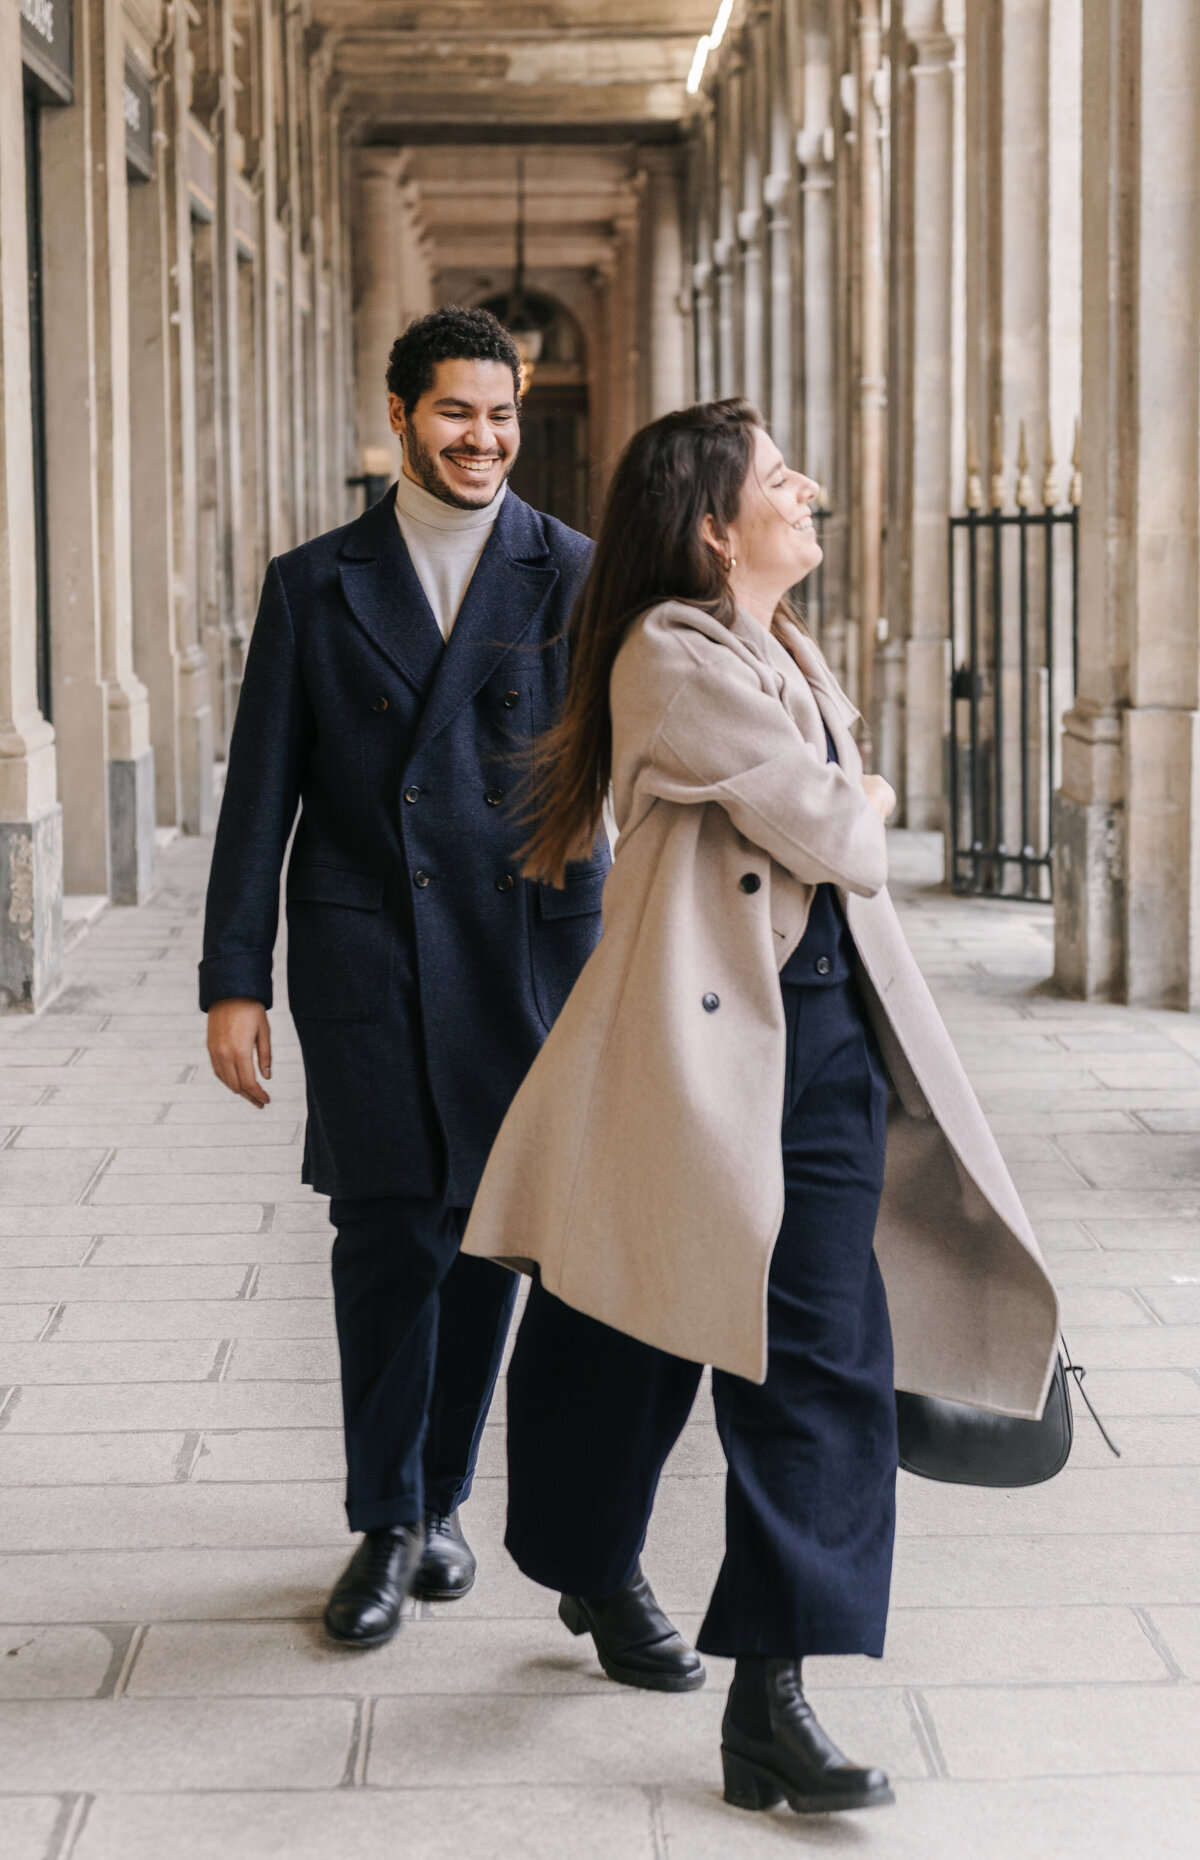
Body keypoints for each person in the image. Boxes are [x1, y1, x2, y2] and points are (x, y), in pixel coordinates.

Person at [462, 399, 1060, 1813]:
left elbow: (828, 827)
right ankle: (590, 1562)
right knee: (632, 1335)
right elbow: (838, 828)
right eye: (780, 480)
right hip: (697, 1055)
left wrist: (852, 795)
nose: (809, 492)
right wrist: (869, 792)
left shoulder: (785, 646)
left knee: (823, 1357)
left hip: (827, 1042)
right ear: (714, 529)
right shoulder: (668, 652)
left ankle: (770, 1700)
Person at [201, 305, 632, 1651]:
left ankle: (441, 1496)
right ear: (400, 416)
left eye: (500, 415)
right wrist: (233, 978)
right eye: (456, 412)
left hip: (526, 946)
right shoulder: (314, 583)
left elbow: (635, 764)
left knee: (490, 1232)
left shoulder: (574, 571)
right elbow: (260, 793)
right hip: (370, 945)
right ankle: (386, 1521)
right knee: (388, 1232)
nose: (483, 438)